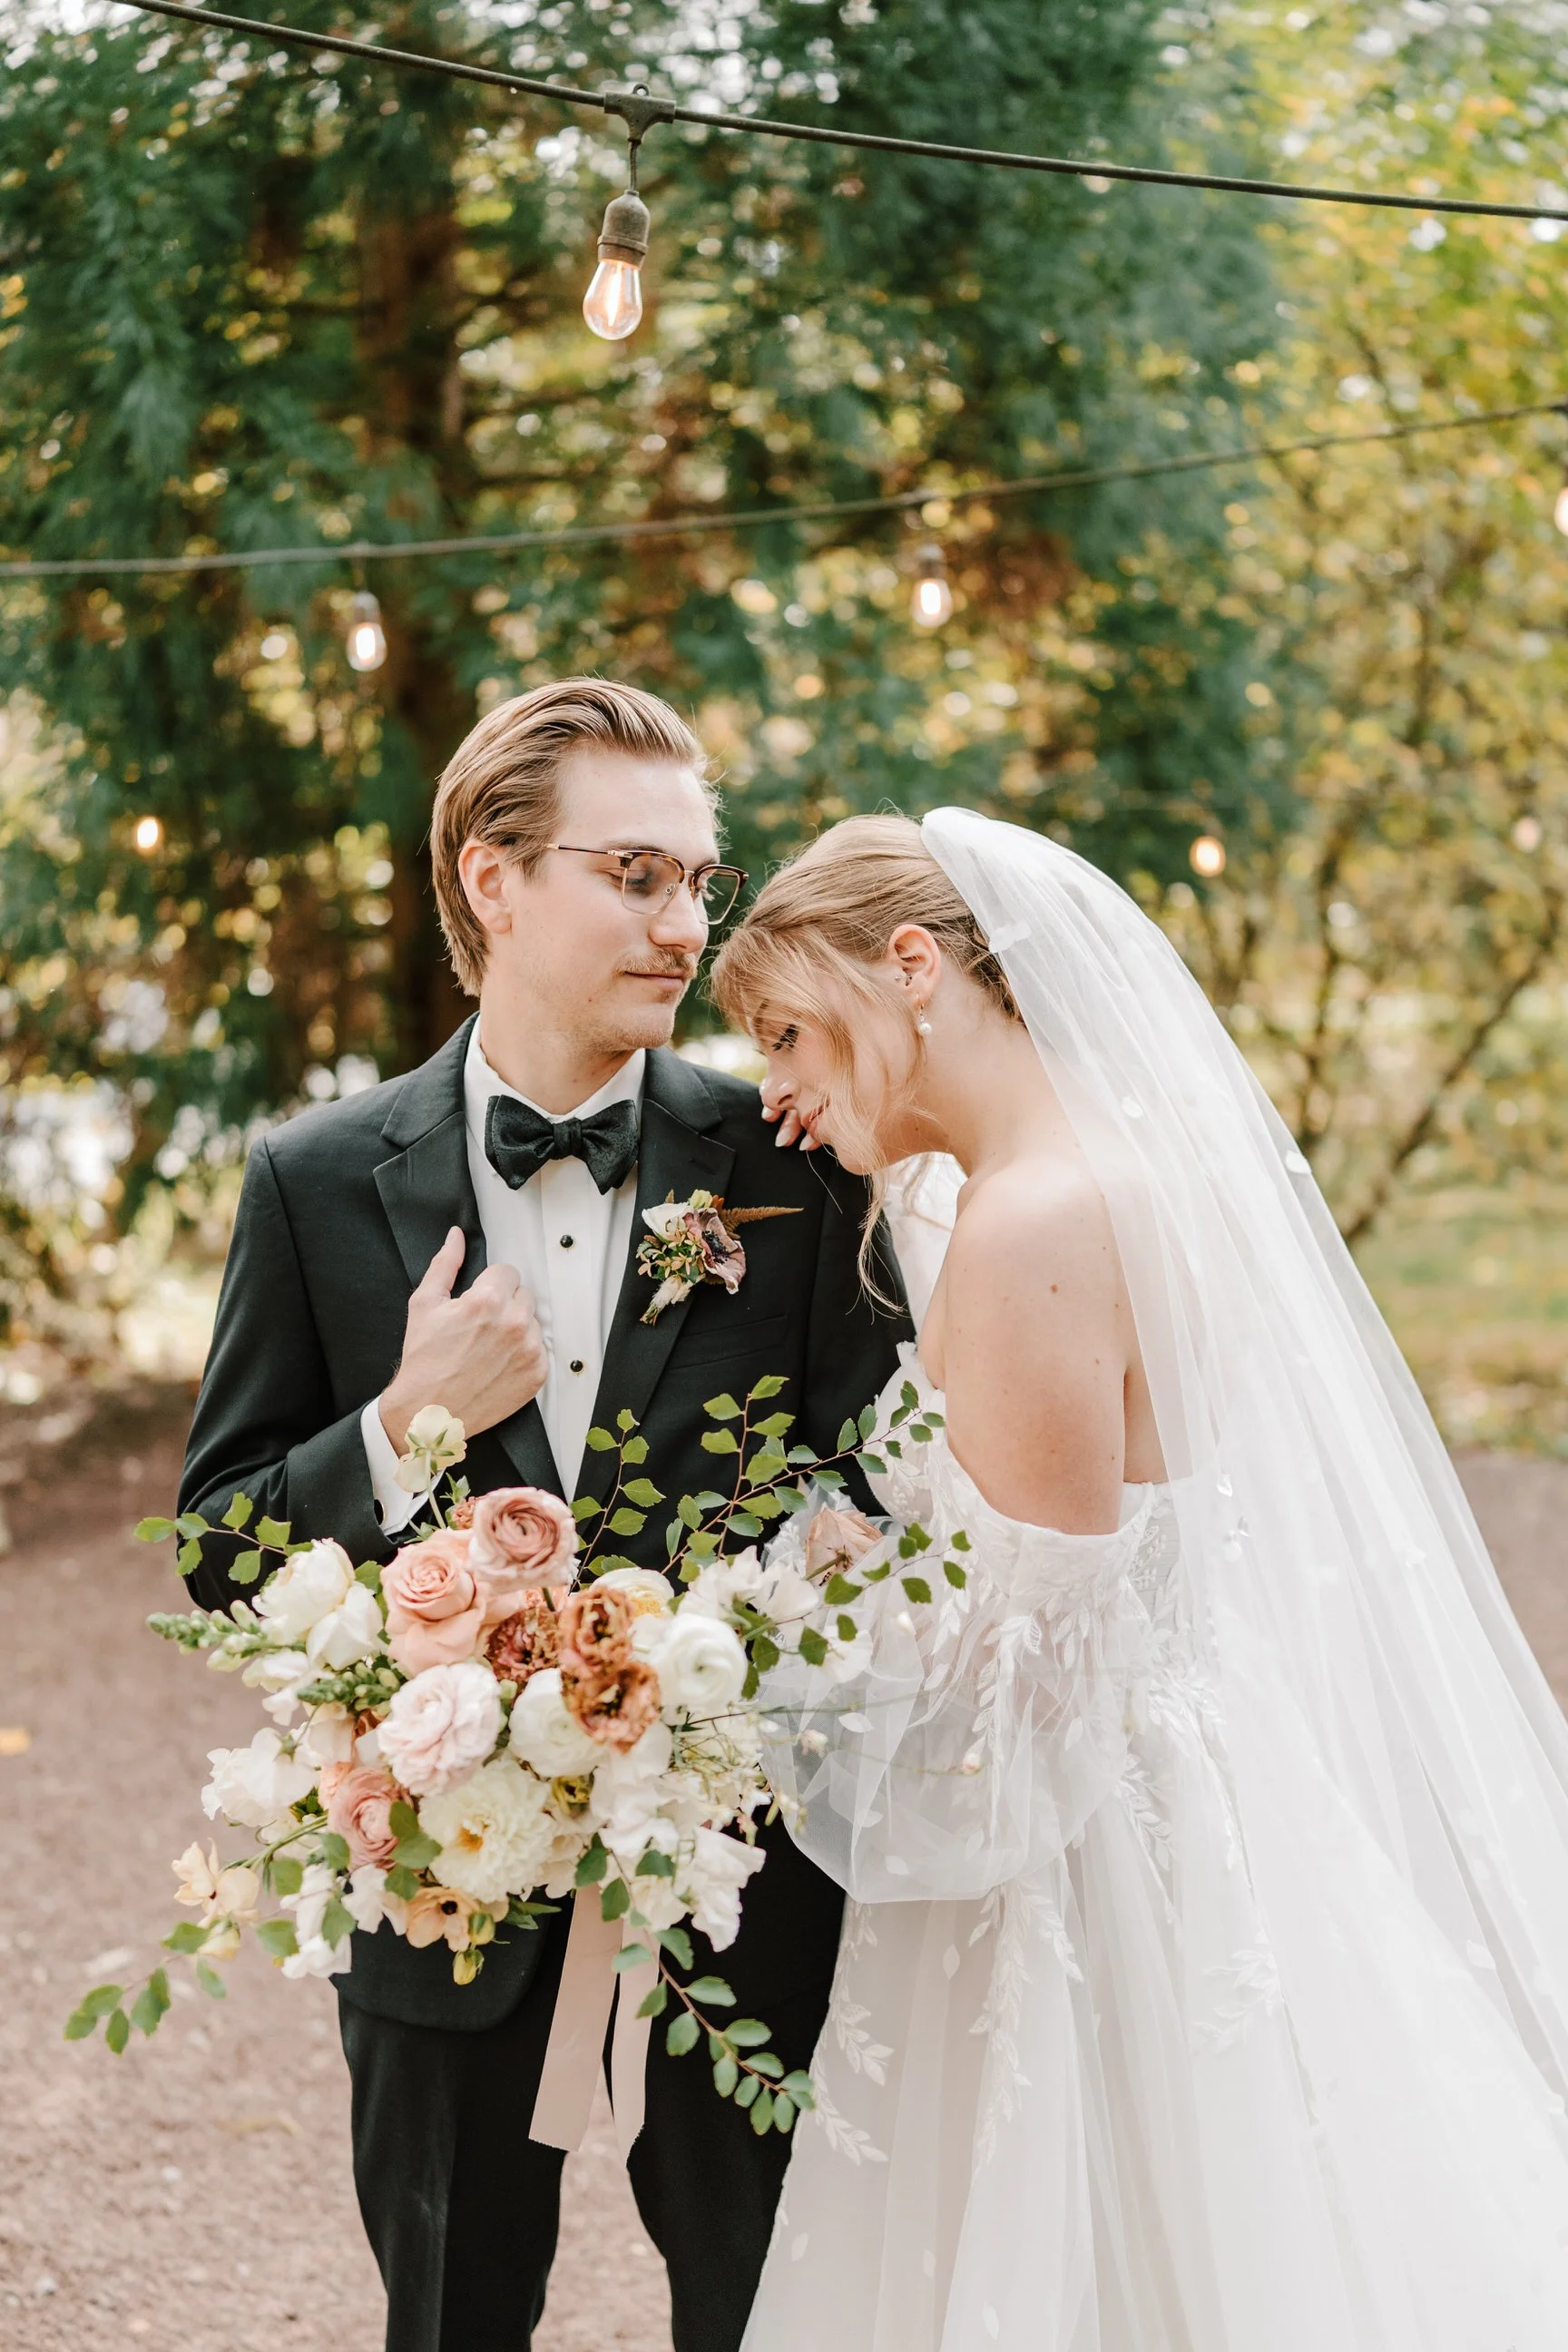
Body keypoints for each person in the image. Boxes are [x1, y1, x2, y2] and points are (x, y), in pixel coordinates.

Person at [710, 807, 1568, 2352]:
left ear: (914, 966)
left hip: (1085, 1850)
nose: (773, 1085)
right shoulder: (1078, 1170)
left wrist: (749, 1644)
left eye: (786, 1030)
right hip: (1188, 1772)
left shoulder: (1031, 1219)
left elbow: (1027, 1656)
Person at [177, 680, 909, 2352]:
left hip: (741, 1891)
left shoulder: (791, 1160)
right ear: (493, 879)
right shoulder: (316, 1178)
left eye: (697, 881)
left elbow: (881, 1477)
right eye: (635, 876)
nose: (684, 924)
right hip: (445, 1900)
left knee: (775, 2316)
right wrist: (401, 1421)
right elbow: (220, 1553)